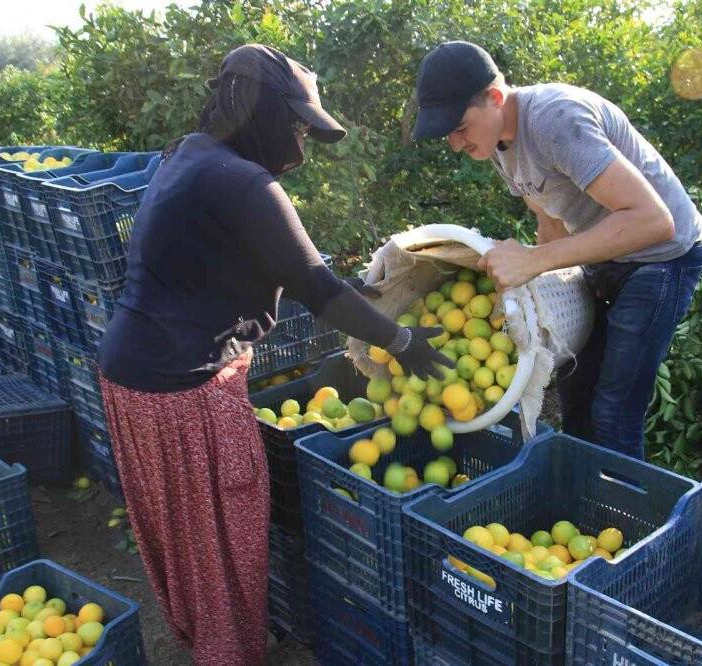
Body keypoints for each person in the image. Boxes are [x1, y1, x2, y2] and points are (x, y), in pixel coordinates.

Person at [97, 44, 451, 665]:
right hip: (185, 393)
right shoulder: (244, 182)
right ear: (260, 113)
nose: (299, 143)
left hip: (130, 377)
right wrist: (400, 341)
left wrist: (367, 292)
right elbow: (316, 288)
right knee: (224, 547)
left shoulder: (193, 154)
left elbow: (246, 260)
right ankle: (228, 656)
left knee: (187, 543)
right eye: (293, 125)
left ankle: (208, 648)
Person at [412, 41, 702, 460]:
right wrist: (526, 291)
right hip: (605, 256)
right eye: (448, 135)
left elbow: (654, 221)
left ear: (495, 99)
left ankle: (626, 520)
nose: (455, 144)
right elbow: (550, 223)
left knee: (613, 412)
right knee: (575, 390)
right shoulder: (499, 144)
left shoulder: (555, 121)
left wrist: (533, 260)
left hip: (662, 259)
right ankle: (583, 503)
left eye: (459, 128)